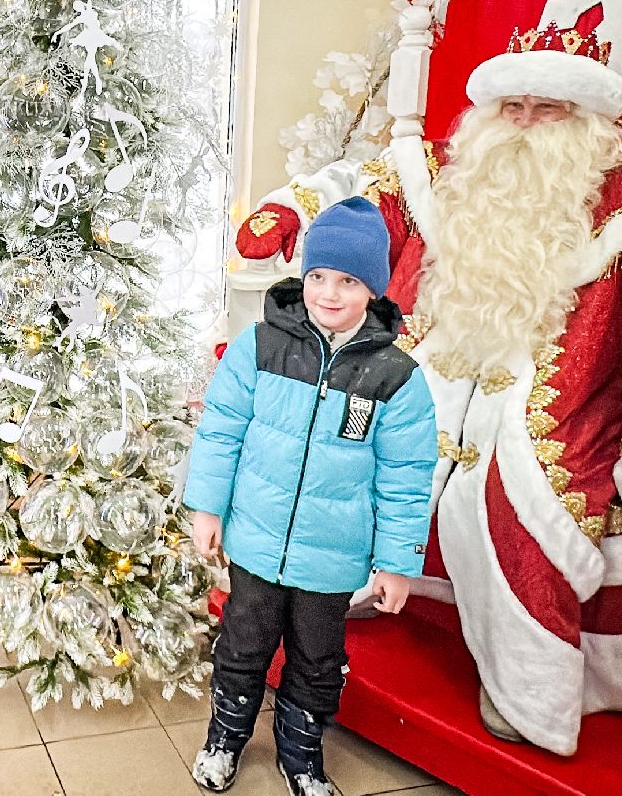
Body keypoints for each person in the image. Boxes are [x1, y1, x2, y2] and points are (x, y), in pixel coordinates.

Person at [233, 27, 622, 755]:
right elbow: (365, 187)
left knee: (509, 501)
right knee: (347, 438)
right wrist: (293, 213)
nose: (520, 121)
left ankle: (528, 688)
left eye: (543, 108)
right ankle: (341, 588)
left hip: (547, 401)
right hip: (434, 366)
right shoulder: (451, 173)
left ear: (586, 120)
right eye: (509, 104)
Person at [188, 198, 437, 795]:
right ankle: (225, 739)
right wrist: (207, 507)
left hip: (330, 558)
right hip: (255, 538)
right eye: (319, 276)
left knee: (318, 661)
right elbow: (220, 430)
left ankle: (300, 756)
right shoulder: (257, 348)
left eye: (349, 281)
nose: (329, 292)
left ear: (372, 290)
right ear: (303, 275)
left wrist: (397, 564)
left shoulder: (395, 378)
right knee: (243, 646)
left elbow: (406, 475)